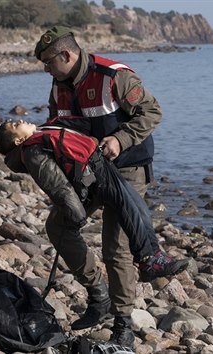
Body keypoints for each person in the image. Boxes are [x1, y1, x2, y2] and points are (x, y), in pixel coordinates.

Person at [0, 118, 189, 348]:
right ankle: (136, 269)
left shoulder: (42, 134)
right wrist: (76, 216)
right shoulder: (33, 150)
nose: (19, 119)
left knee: (134, 209)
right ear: (19, 139)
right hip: (96, 172)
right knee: (127, 212)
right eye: (15, 124)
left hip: (106, 165)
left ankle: (149, 259)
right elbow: (59, 187)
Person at [33, 26, 163, 347]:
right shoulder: (58, 85)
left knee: (115, 245)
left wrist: (120, 139)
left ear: (66, 54)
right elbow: (57, 126)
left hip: (128, 167)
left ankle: (123, 322)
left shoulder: (113, 76)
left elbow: (152, 111)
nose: (46, 69)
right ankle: (97, 293)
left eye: (49, 62)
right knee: (60, 225)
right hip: (89, 169)